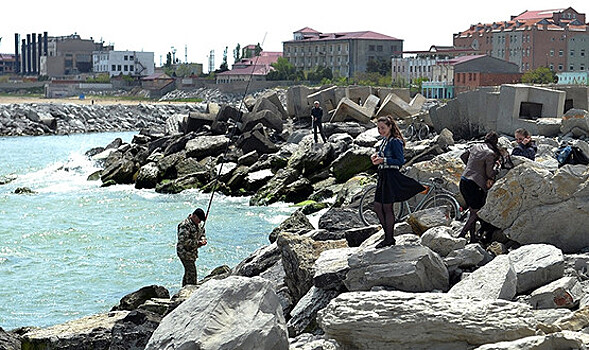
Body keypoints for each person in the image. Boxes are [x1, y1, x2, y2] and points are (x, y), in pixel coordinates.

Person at [371, 116, 426, 248]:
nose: (380, 130)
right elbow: (383, 156)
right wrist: (375, 157)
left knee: (387, 207)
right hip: (383, 175)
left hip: (391, 176)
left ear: (390, 127)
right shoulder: (384, 140)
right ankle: (388, 236)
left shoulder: (395, 141)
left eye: (383, 128)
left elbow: (400, 161)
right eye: (378, 128)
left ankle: (389, 239)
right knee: (378, 206)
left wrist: (382, 160)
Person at [458, 131, 502, 243]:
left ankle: (472, 238)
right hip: (474, 185)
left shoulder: (475, 146)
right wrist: (497, 167)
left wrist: (471, 167)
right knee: (476, 212)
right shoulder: (490, 153)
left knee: (472, 210)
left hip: (463, 181)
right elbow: (490, 174)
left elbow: (463, 156)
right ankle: (461, 235)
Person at [176, 207, 207, 286]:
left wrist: (203, 239)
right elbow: (183, 241)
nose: (200, 222)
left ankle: (184, 288)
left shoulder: (197, 224)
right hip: (184, 252)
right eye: (199, 219)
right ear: (194, 216)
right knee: (192, 273)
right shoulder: (185, 225)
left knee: (188, 272)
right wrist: (198, 243)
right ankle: (190, 290)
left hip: (192, 253)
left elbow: (202, 232)